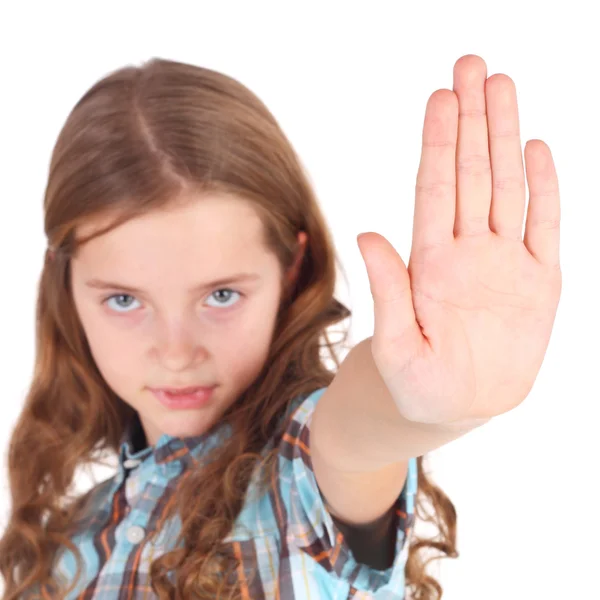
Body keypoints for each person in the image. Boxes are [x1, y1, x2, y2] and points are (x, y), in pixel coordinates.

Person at [0, 53, 561, 599]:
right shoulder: (64, 550)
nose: (175, 352)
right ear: (65, 281)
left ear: (291, 270)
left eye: (221, 295)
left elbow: (351, 439)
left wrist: (418, 405)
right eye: (124, 300)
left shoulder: (297, 485)